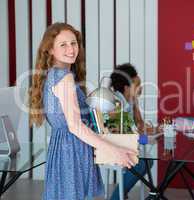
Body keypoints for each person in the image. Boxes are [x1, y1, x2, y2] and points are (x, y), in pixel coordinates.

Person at [29, 22, 137, 200]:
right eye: (63, 44)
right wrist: (114, 150)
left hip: (64, 149)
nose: (71, 49)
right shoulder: (64, 78)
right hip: (73, 151)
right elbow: (75, 126)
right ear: (50, 50)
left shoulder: (53, 75)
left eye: (73, 43)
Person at [109, 63, 156, 200]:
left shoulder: (129, 102)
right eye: (137, 85)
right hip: (112, 147)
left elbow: (139, 126)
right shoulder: (116, 102)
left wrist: (156, 130)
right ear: (126, 88)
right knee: (141, 162)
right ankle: (116, 197)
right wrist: (145, 139)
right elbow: (123, 135)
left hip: (125, 145)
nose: (140, 88)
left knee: (147, 161)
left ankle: (123, 193)